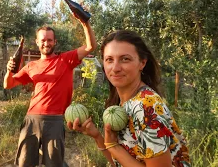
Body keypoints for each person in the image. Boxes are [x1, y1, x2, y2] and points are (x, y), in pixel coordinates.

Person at [68, 30, 190, 167]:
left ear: (142, 63)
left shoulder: (145, 107)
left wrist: (113, 146)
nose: (115, 68)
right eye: (109, 59)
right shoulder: (126, 102)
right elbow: (121, 162)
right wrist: (97, 136)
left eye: (125, 59)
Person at [3, 21, 96, 166]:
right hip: (31, 120)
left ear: (55, 42)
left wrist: (85, 23)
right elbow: (8, 84)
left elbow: (91, 46)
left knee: (54, 163)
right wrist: (9, 70)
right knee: (24, 163)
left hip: (55, 121)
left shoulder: (66, 59)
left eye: (49, 40)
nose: (46, 43)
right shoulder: (31, 66)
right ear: (37, 42)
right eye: (43, 40)